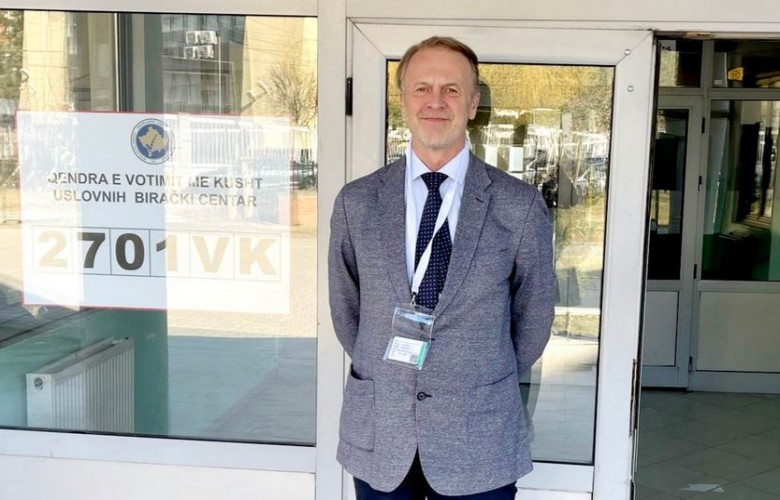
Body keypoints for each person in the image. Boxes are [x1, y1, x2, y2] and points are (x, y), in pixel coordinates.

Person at [329, 36, 556, 499]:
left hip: (478, 433)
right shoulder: (357, 202)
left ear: (472, 104)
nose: (436, 101)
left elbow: (533, 319)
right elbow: (346, 310)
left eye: (452, 90)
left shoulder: (518, 206)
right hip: (381, 429)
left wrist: (474, 367)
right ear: (403, 100)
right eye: (422, 88)